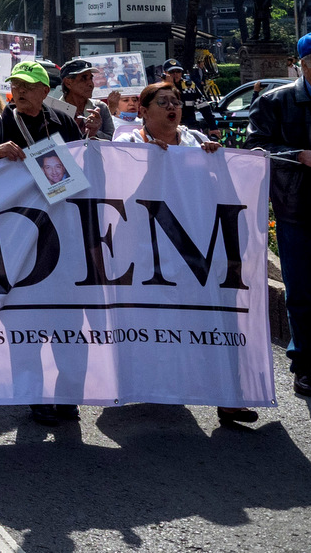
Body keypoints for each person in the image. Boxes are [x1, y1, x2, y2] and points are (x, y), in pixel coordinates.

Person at [0, 59, 94, 426]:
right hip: (16, 239)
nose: (19, 91)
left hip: (63, 234)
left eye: (27, 85)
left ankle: (69, 395)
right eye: (15, 85)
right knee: (24, 322)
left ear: (44, 91)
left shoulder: (63, 122)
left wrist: (91, 141)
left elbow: (85, 171)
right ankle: (35, 395)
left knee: (69, 323)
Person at [122, 82, 255, 423]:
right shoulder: (128, 143)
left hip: (196, 250)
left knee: (209, 318)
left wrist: (216, 158)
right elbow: (118, 189)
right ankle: (150, 384)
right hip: (147, 250)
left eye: (176, 101)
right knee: (151, 321)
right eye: (163, 101)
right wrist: (150, 162)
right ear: (143, 110)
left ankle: (228, 398)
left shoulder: (196, 141)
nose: (173, 106)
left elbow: (218, 186)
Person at [247, 32, 311, 399]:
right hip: (300, 209)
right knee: (302, 292)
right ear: (305, 64)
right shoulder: (275, 102)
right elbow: (255, 148)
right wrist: (300, 155)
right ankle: (304, 366)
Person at [58, 59, 115, 141]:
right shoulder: (54, 112)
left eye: (91, 78)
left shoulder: (100, 108)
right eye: (83, 79)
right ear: (68, 83)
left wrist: (94, 132)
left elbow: (112, 142)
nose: (91, 84)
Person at [162, 60, 216, 136]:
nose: (175, 74)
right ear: (164, 74)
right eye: (171, 72)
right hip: (168, 128)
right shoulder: (160, 88)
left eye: (178, 71)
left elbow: (204, 107)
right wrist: (169, 84)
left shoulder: (190, 86)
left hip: (189, 127)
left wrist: (213, 127)